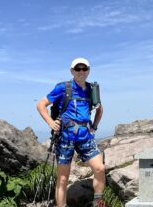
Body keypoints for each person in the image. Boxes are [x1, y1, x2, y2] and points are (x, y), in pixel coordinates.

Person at [37, 57, 106, 207]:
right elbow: (41, 104)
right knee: (63, 178)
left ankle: (98, 202)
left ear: (89, 71)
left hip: (85, 135)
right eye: (78, 69)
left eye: (84, 69)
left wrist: (94, 126)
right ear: (72, 71)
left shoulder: (92, 89)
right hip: (66, 136)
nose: (81, 72)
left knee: (100, 168)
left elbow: (100, 108)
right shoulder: (63, 88)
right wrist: (50, 122)